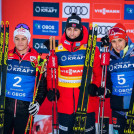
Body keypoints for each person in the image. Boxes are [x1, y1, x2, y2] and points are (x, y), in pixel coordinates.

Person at [47, 13, 102, 134]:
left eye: (76, 29)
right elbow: (52, 75)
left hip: (86, 104)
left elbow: (98, 74)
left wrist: (95, 86)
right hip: (64, 106)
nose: (72, 33)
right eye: (69, 29)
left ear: (81, 30)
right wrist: (51, 89)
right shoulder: (58, 50)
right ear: (65, 30)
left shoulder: (91, 49)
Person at [4, 23, 47, 134]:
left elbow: (41, 87)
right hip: (5, 110)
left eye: (23, 39)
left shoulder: (38, 60)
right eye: (17, 39)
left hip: (25, 111)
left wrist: (37, 103)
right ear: (13, 39)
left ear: (28, 39)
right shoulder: (6, 57)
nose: (20, 42)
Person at [104, 23, 134, 134]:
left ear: (126, 39)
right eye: (114, 41)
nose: (117, 45)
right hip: (117, 109)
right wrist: (106, 91)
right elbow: (107, 83)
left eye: (120, 40)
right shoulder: (108, 58)